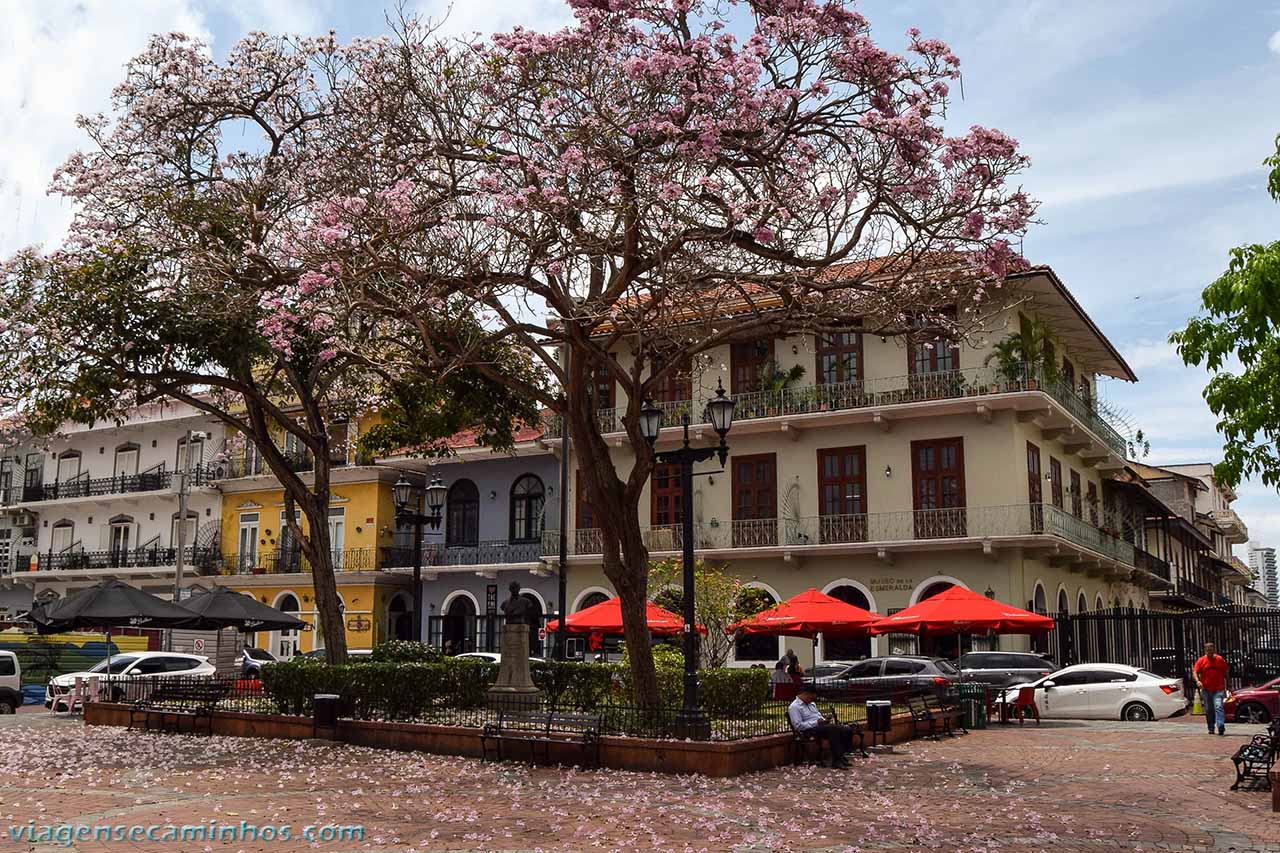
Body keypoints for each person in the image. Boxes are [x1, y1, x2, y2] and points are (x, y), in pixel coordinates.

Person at [788, 686, 855, 768]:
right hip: (808, 730)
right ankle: (836, 761)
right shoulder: (794, 707)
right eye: (811, 698)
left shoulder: (812, 704)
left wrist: (824, 720)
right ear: (806, 694)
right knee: (834, 730)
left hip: (820, 727)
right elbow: (798, 726)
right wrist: (816, 723)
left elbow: (818, 716)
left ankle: (842, 755)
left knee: (845, 729)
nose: (812, 700)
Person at [1193, 642, 1229, 736]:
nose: (1210, 652)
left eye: (1211, 650)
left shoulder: (1220, 660)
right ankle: (1211, 727)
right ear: (1205, 651)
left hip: (1218, 689)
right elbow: (1195, 672)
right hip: (1206, 689)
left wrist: (1229, 684)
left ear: (1214, 650)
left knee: (1218, 706)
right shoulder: (1201, 660)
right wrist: (1198, 681)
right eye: (1208, 650)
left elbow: (1226, 672)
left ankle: (1220, 725)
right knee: (1209, 709)